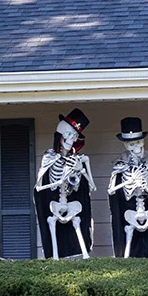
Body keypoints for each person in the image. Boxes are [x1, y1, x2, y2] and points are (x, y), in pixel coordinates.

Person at [34, 108, 96, 259]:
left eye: (74, 136)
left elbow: (89, 188)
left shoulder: (79, 159)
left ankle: (83, 253)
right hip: (54, 204)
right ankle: (54, 255)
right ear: (60, 136)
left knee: (78, 217)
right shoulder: (49, 157)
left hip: (71, 202)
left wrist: (81, 171)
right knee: (51, 220)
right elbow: (39, 187)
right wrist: (59, 181)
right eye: (68, 135)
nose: (72, 140)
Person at [108, 117, 148, 259]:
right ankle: (126, 260)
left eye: (138, 142)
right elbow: (112, 192)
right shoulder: (120, 165)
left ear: (143, 141)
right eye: (131, 144)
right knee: (127, 229)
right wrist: (128, 181)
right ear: (125, 146)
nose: (135, 147)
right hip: (129, 207)